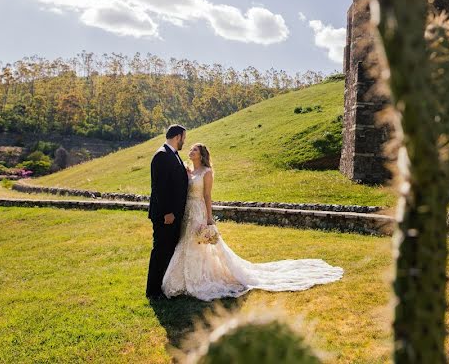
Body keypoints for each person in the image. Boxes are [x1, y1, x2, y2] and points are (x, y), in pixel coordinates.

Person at [161, 142, 343, 300]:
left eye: (194, 150)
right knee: (187, 243)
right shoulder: (188, 170)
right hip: (187, 212)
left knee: (200, 245)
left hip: (199, 211)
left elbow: (208, 196)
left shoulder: (207, 172)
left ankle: (200, 279)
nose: (191, 152)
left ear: (201, 155)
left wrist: (209, 219)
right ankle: (186, 278)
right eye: (191, 149)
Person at [146, 124, 189, 300]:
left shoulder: (174, 155)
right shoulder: (162, 155)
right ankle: (153, 291)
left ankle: (164, 286)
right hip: (166, 216)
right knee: (160, 251)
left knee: (169, 250)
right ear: (178, 136)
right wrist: (167, 213)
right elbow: (159, 189)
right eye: (184, 137)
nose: (184, 141)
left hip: (174, 215)